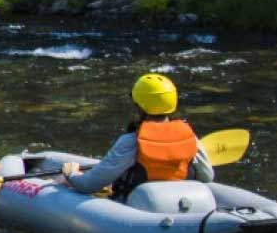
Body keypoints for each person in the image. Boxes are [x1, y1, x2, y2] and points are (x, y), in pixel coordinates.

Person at [61, 73, 215, 201]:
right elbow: (207, 176)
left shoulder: (131, 141)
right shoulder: (189, 137)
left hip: (138, 207)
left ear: (139, 106)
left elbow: (88, 185)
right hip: (180, 202)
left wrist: (71, 174)